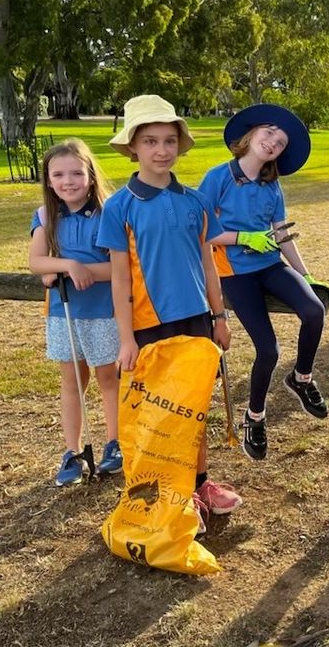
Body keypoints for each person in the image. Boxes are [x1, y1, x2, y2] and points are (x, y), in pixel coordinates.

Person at [97, 94, 239, 535]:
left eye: (170, 141)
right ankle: (168, 496)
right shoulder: (119, 206)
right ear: (133, 148)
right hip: (147, 327)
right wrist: (126, 338)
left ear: (180, 145)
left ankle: (198, 486)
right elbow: (119, 281)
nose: (162, 150)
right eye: (151, 141)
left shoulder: (196, 202)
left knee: (194, 408)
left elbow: (209, 265)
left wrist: (219, 316)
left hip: (197, 322)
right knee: (160, 416)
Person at [199, 104, 329, 462]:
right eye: (269, 132)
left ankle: (301, 379)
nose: (273, 142)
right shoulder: (218, 177)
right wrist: (243, 237)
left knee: (314, 310)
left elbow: (281, 235)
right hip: (235, 275)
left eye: (281, 141)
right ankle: (254, 416)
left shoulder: (273, 187)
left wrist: (304, 274)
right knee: (268, 350)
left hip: (270, 265)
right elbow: (202, 229)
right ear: (251, 133)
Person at [28, 139, 121, 486]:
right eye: (59, 174)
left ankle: (115, 443)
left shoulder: (109, 213)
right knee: (72, 381)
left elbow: (120, 269)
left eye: (76, 173)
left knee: (107, 378)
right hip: (63, 313)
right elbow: (36, 261)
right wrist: (67, 264)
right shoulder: (45, 216)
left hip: (104, 312)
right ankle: (72, 451)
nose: (68, 181)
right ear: (49, 180)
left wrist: (82, 271)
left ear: (91, 175)